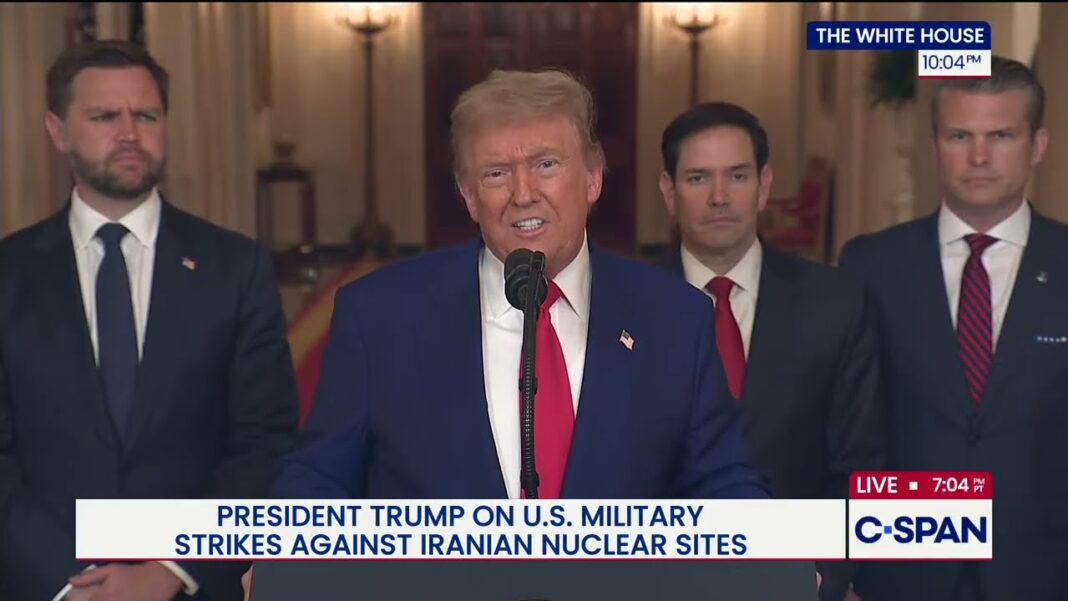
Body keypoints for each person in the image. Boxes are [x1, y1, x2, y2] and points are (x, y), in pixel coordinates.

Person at [270, 69, 768, 502]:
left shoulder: (675, 318)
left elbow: (724, 480)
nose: (523, 194)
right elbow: (319, 476)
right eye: (496, 173)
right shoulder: (379, 317)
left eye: (546, 165)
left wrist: (769, 558)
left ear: (593, 179)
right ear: (468, 195)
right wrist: (283, 560)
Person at [0, 40, 299, 600]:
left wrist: (171, 569)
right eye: (104, 117)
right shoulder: (9, 274)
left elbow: (265, 441)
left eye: (145, 115)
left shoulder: (235, 267)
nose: (129, 134)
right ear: (57, 130)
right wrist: (66, 584)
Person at [838, 56, 1068, 601]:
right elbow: (847, 430)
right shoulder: (871, 265)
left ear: (1037, 145)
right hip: (902, 569)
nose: (979, 157)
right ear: (934, 144)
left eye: (1001, 136)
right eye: (960, 136)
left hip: (1045, 568)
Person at [655, 101, 885, 600]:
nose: (719, 196)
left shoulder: (836, 303)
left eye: (737, 176)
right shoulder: (625, 307)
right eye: (698, 178)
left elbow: (858, 467)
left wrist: (823, 577)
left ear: (764, 186)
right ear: (669, 193)